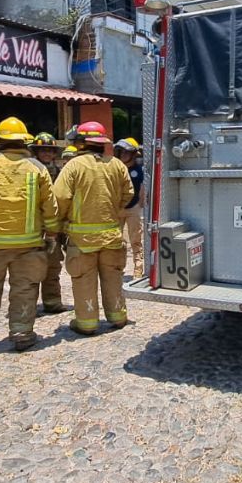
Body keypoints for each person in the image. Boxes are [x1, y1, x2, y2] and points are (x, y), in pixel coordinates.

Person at [0, 117, 61, 354]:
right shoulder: (37, 168)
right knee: (25, 289)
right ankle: (22, 335)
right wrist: (51, 233)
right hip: (29, 244)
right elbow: (50, 205)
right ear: (24, 141)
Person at [53, 121, 134, 335]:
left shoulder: (74, 166)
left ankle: (87, 324)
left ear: (81, 143)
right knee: (113, 277)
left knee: (84, 281)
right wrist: (112, 209)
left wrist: (59, 223)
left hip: (82, 240)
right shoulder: (117, 165)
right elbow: (128, 194)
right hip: (112, 236)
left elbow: (59, 197)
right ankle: (118, 317)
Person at [28, 132, 69, 314]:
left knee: (53, 267)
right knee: (31, 269)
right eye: (42, 150)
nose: (46, 153)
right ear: (36, 152)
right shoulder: (29, 172)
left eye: (49, 150)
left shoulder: (60, 173)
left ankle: (52, 303)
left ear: (54, 153)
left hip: (54, 229)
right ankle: (27, 306)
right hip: (33, 229)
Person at [114, 138, 145, 278]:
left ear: (133, 154)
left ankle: (138, 270)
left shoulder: (138, 171)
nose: (123, 155)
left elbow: (142, 189)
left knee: (136, 240)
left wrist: (140, 204)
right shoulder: (116, 169)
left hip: (133, 209)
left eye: (127, 152)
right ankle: (118, 269)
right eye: (121, 152)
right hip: (118, 208)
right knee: (117, 241)